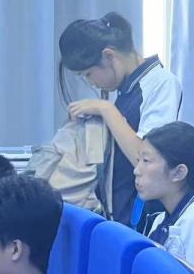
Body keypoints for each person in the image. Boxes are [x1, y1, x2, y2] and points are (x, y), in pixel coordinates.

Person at [58, 12, 182, 226]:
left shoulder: (162, 84)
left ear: (109, 56)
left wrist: (106, 110)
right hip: (118, 214)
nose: (91, 83)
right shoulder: (127, 91)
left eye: (88, 74)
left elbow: (148, 160)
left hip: (142, 218)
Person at [135, 122, 194, 264]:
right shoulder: (159, 220)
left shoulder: (191, 222)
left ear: (179, 173)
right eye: (138, 160)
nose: (136, 170)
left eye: (146, 161)